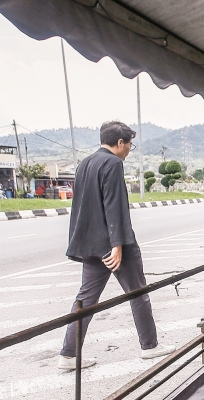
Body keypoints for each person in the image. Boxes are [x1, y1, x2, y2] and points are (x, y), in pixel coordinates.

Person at [58, 120, 175, 370]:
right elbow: (114, 205)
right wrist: (118, 245)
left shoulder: (85, 164)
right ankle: (150, 346)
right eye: (129, 144)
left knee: (86, 299)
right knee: (138, 293)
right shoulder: (112, 163)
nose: (129, 149)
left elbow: (82, 206)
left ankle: (68, 355)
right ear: (119, 142)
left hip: (90, 245)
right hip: (113, 245)